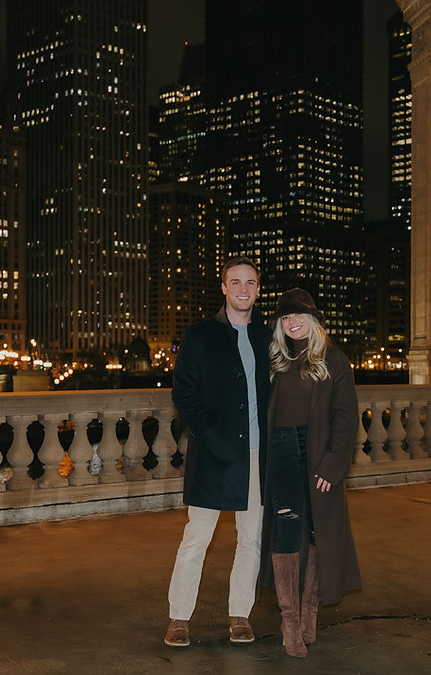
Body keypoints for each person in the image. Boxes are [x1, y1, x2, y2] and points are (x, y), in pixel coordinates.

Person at [163, 256, 271, 648]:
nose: (243, 289)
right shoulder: (200, 335)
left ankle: (240, 614)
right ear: (223, 288)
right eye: (236, 282)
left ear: (258, 289)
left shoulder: (268, 335)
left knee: (251, 540)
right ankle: (179, 617)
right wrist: (211, 434)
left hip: (258, 457)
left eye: (251, 283)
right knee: (196, 539)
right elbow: (184, 394)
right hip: (213, 455)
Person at [260, 288, 361, 657]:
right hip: (282, 453)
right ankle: (289, 621)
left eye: (299, 315)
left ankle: (309, 614)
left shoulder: (334, 360)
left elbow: (346, 419)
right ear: (279, 325)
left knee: (318, 533)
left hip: (319, 453)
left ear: (314, 319)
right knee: (287, 532)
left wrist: (334, 465)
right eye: (285, 318)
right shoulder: (274, 360)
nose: (292, 322)